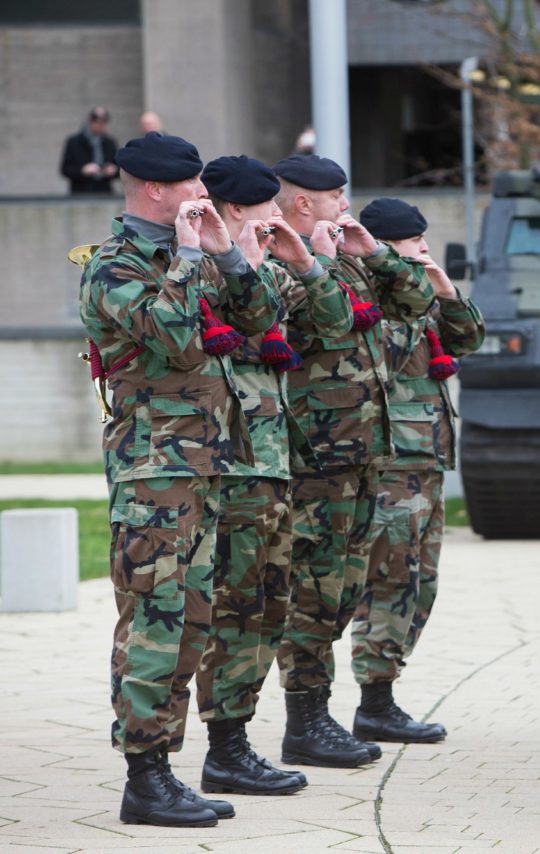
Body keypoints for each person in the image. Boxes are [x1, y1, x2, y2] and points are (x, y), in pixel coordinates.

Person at [79, 132, 280, 826]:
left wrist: (227, 253)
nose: (202, 194)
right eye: (191, 184)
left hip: (208, 464)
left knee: (193, 620)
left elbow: (260, 319)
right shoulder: (115, 265)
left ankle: (166, 770)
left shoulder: (190, 254)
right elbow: (172, 335)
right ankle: (144, 776)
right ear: (155, 189)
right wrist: (194, 256)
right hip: (154, 469)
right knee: (154, 620)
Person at [192, 155, 352, 797]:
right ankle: (224, 747)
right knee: (233, 606)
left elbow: (334, 325)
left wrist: (308, 263)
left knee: (267, 604)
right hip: (226, 462)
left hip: (272, 461)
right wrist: (246, 262)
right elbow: (239, 324)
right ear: (237, 209)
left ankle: (238, 742)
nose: (277, 217)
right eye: (266, 209)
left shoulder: (269, 263)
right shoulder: (201, 266)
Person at [272, 154, 434, 768]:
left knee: (342, 592)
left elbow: (417, 300)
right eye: (337, 197)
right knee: (312, 591)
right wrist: (314, 262)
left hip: (363, 453)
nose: (346, 206)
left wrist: (378, 254)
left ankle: (320, 715)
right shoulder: (279, 263)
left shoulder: (349, 259)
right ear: (303, 203)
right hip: (315, 456)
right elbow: (331, 323)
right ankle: (305, 721)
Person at [348, 198, 486, 742]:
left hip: (424, 459)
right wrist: (405, 287)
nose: (424, 247)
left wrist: (446, 293)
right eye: (412, 240)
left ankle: (381, 696)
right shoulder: (364, 296)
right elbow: (387, 358)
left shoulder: (419, 294)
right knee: (389, 580)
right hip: (391, 460)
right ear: (384, 246)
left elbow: (467, 340)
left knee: (418, 583)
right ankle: (372, 702)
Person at [60, 106, 119, 194]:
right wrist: (83, 170)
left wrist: (113, 170)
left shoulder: (110, 142)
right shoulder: (74, 142)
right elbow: (65, 169)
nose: (101, 126)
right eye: (98, 122)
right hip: (81, 192)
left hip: (104, 192)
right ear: (90, 122)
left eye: (104, 123)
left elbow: (119, 169)